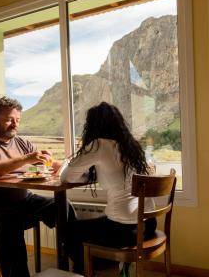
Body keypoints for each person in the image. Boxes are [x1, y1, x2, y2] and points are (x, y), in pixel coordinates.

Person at [0, 95, 71, 277]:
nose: (15, 124)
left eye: (17, 120)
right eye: (9, 120)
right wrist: (26, 159)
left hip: (21, 201)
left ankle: (79, 263)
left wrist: (64, 165)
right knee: (8, 219)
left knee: (61, 206)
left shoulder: (22, 143)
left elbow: (44, 164)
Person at [59, 102, 156, 274]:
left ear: (93, 126)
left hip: (125, 230)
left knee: (69, 230)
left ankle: (85, 271)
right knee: (96, 224)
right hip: (147, 226)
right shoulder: (131, 145)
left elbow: (66, 177)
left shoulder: (100, 144)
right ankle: (106, 268)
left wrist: (67, 163)